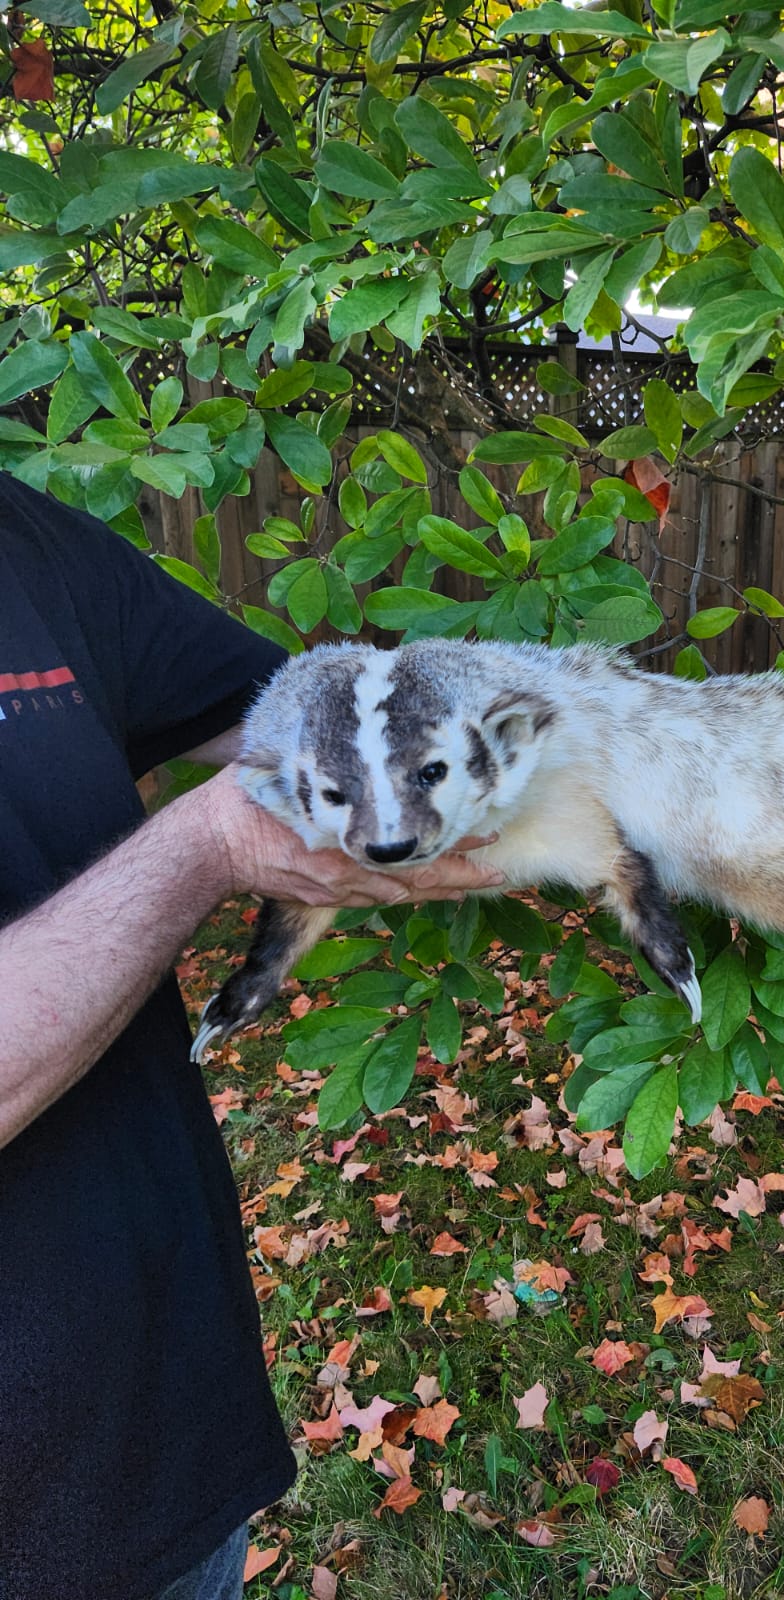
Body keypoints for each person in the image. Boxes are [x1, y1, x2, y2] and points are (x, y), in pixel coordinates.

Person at [0, 473, 502, 1600]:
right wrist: (209, 843)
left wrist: (634, 765)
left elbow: (291, 709)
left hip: (167, 1433)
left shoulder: (25, 537)